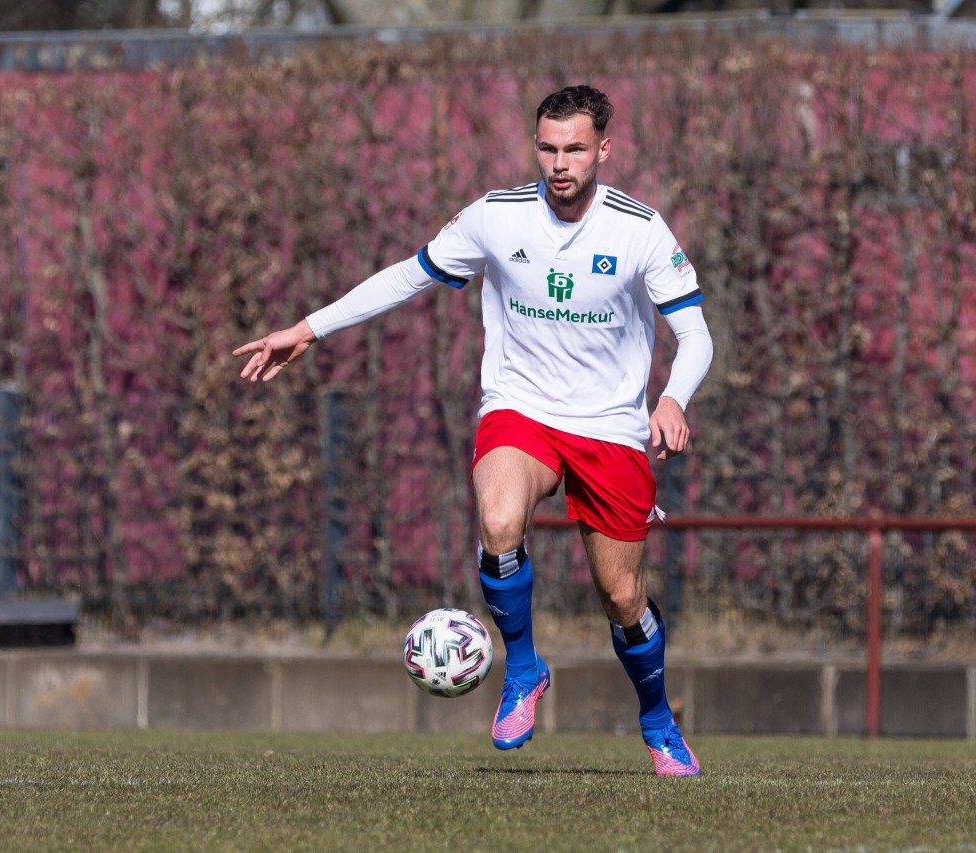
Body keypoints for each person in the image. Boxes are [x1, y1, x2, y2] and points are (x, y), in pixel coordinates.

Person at [234, 85, 713, 776]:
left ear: (604, 149)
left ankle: (657, 718)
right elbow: (410, 274)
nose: (559, 162)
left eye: (575, 148)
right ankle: (523, 669)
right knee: (496, 517)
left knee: (622, 596)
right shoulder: (496, 216)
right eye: (547, 147)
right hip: (520, 409)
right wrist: (309, 329)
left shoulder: (639, 229)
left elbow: (694, 332)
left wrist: (673, 398)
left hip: (610, 427)